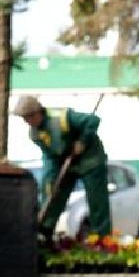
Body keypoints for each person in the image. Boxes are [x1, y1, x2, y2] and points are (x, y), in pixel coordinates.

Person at [15, 94, 109, 240]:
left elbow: (93, 121)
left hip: (90, 160)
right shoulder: (35, 134)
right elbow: (49, 158)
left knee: (97, 202)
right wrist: (49, 184)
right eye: (24, 118)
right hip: (66, 164)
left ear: (37, 112)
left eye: (28, 117)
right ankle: (45, 232)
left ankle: (102, 239)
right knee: (55, 195)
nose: (27, 122)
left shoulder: (63, 117)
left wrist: (82, 141)